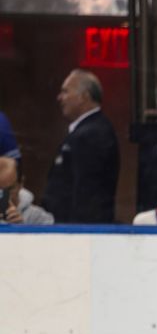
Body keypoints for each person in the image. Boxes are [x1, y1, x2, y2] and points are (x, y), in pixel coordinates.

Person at [42, 69, 119, 223]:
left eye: (65, 92)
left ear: (84, 97)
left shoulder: (92, 134)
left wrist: (76, 233)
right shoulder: (86, 131)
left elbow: (87, 195)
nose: (60, 98)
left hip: (77, 233)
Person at [0, 160, 54, 225]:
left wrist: (20, 229)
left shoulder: (39, 218)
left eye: (10, 189)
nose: (2, 196)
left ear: (21, 183)